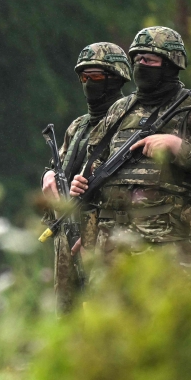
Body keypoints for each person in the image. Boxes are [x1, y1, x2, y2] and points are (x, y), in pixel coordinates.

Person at [70, 27, 191, 264]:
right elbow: (95, 173)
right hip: (113, 248)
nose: (140, 64)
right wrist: (82, 184)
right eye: (136, 59)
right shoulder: (119, 110)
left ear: (170, 64)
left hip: (169, 248)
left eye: (149, 59)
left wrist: (178, 147)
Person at [41, 42, 131, 311]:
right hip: (67, 235)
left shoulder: (129, 124)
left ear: (116, 78)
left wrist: (99, 233)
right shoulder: (78, 126)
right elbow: (60, 168)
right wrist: (47, 177)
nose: (89, 83)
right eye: (84, 77)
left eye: (97, 77)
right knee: (66, 321)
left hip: (106, 239)